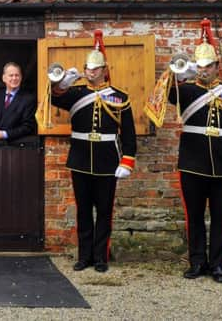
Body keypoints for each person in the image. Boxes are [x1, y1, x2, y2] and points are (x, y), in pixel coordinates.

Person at [50, 30, 136, 273]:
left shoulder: (120, 97)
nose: (91, 72)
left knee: (105, 211)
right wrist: (62, 83)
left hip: (108, 159)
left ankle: (101, 257)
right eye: (88, 68)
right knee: (84, 211)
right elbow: (53, 99)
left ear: (104, 70)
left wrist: (127, 160)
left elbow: (128, 132)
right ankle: (84, 256)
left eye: (95, 69)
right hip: (79, 159)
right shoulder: (75, 93)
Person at [167, 18, 222, 283]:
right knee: (195, 217)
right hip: (191, 163)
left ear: (217, 67)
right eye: (199, 66)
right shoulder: (186, 91)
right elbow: (165, 96)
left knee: (221, 218)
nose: (203, 71)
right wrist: (176, 76)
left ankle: (218, 265)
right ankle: (197, 262)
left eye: (208, 66)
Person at [0, 62, 37, 141]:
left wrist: (3, 134)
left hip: (16, 147)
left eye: (17, 75)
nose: (14, 78)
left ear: (21, 78)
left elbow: (28, 127)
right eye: (11, 75)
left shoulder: (29, 99)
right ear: (4, 78)